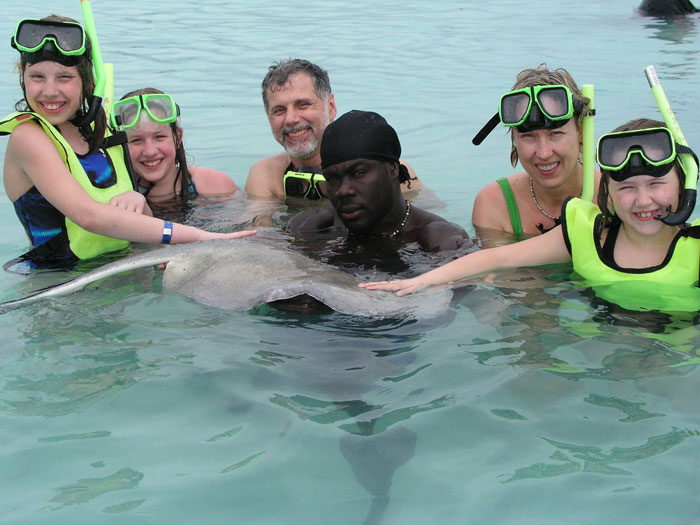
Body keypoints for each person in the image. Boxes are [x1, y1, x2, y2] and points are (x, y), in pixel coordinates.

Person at [361, 118, 700, 311]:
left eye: (657, 184)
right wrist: (420, 281)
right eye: (627, 188)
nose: (643, 201)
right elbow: (494, 259)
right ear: (608, 192)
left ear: (686, 184)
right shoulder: (586, 235)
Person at [1, 16, 254, 268]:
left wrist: (140, 203)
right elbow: (89, 217)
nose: (50, 91)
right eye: (37, 77)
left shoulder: (94, 132)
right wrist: (198, 237)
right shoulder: (28, 136)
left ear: (87, 80)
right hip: (58, 286)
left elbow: (128, 230)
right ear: (22, 75)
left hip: (119, 279)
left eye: (64, 77)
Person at [287, 110, 471, 253]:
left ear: (392, 168)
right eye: (332, 178)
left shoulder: (438, 239)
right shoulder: (311, 227)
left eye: (358, 173)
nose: (343, 190)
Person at [245, 59, 422, 200]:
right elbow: (257, 237)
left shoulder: (387, 171)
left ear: (330, 107)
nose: (290, 119)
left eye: (303, 105)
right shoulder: (266, 175)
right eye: (279, 110)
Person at [471, 64, 600, 242]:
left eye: (555, 133)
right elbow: (496, 269)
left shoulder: (615, 197)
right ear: (514, 139)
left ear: (581, 132)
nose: (544, 153)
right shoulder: (495, 204)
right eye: (528, 136)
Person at [113, 87, 239, 202]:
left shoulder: (215, 186)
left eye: (159, 137)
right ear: (121, 145)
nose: (150, 151)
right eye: (136, 140)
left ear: (178, 137)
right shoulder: (114, 197)